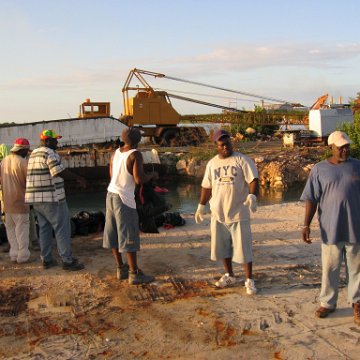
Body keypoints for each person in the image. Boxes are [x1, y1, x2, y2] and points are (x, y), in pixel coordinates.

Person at [300, 130, 360, 325]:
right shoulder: (319, 169)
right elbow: (311, 199)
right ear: (331, 148)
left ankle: (357, 303)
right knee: (330, 268)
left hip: (356, 229)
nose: (345, 150)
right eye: (341, 147)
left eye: (347, 146)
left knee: (357, 270)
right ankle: (328, 302)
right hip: (331, 229)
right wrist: (305, 225)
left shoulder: (357, 166)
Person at [195, 129, 259, 293]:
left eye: (228, 144)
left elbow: (253, 180)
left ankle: (249, 279)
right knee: (223, 248)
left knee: (244, 249)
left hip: (238, 213)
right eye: (222, 145)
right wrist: (201, 205)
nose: (226, 147)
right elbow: (206, 186)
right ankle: (229, 274)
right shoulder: (212, 164)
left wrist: (252, 195)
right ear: (216, 146)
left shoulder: (242, 160)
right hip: (218, 214)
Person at [103, 127, 157, 285]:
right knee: (129, 234)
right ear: (138, 140)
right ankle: (134, 274)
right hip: (124, 199)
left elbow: (112, 175)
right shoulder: (135, 154)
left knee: (113, 232)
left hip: (110, 195)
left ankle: (121, 269)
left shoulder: (115, 153)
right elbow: (139, 179)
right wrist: (152, 175)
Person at [25, 129, 85, 271]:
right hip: (51, 198)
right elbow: (58, 171)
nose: (57, 142)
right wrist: (78, 178)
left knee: (44, 229)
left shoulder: (33, 153)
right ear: (47, 141)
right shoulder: (49, 153)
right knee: (62, 228)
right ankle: (67, 261)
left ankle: (46, 259)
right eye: (55, 140)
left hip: (36, 199)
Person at [0, 138, 31, 263]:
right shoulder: (23, 162)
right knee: (22, 230)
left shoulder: (4, 161)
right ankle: (23, 256)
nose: (27, 153)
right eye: (27, 151)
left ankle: (13, 254)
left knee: (11, 230)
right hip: (20, 202)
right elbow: (29, 182)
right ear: (22, 150)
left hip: (7, 203)